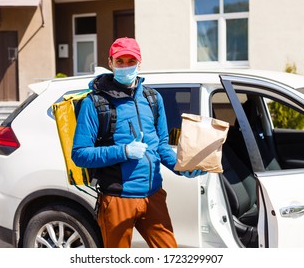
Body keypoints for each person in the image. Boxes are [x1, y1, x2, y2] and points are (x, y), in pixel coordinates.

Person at [71, 37, 205, 248]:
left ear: (139, 62)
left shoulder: (153, 99)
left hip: (153, 195)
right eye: (120, 61)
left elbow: (161, 145)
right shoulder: (95, 102)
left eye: (130, 61)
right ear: (110, 63)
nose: (125, 66)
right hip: (117, 198)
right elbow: (80, 154)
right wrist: (123, 151)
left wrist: (181, 167)